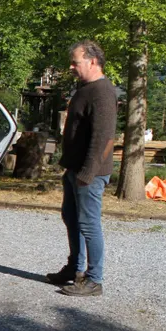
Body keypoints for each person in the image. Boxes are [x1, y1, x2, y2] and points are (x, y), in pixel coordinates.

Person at [46, 40, 117, 297]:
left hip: (90, 174)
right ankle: (75, 270)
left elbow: (104, 138)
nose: (72, 66)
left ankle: (94, 279)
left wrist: (87, 173)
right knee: (71, 218)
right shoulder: (85, 88)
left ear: (93, 61)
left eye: (75, 62)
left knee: (88, 224)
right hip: (76, 170)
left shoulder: (102, 92)